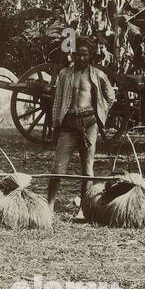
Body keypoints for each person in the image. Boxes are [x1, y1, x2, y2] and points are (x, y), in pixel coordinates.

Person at [47, 36, 117, 209]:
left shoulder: (98, 75)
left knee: (87, 169)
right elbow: (57, 102)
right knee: (58, 168)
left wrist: (99, 113)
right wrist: (56, 125)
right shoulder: (64, 74)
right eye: (78, 54)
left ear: (90, 55)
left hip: (89, 125)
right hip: (68, 125)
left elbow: (110, 97)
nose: (81, 58)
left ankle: (84, 208)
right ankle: (49, 205)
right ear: (73, 54)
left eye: (85, 54)